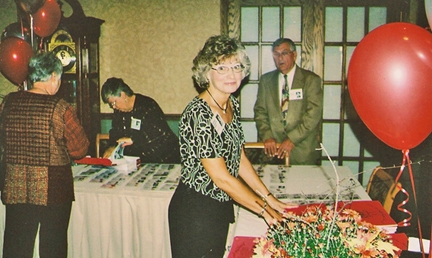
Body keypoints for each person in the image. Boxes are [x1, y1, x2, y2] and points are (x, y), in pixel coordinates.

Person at [168, 35, 296, 258]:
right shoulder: (199, 113)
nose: (232, 74)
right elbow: (222, 178)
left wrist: (268, 197)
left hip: (219, 206)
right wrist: (265, 211)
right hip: (194, 210)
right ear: (207, 72)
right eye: (222, 67)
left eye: (236, 66)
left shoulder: (230, 103)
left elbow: (238, 158)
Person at [0, 51, 89, 258]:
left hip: (15, 185)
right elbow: (80, 149)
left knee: (16, 247)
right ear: (53, 77)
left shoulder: (8, 103)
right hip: (54, 188)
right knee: (53, 247)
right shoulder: (60, 108)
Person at [254, 38, 323, 165]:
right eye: (276, 54)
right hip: (273, 152)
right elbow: (260, 111)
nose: (280, 58)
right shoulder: (266, 80)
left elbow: (313, 115)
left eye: (284, 53)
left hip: (302, 151)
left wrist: (292, 139)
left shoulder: (311, 80)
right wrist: (267, 135)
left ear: (294, 55)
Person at [101, 77, 180, 164]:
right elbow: (115, 132)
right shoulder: (118, 112)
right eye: (111, 104)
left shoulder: (147, 106)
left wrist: (133, 140)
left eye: (114, 103)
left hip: (165, 159)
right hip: (139, 162)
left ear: (123, 95)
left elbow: (159, 135)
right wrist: (112, 146)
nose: (114, 107)